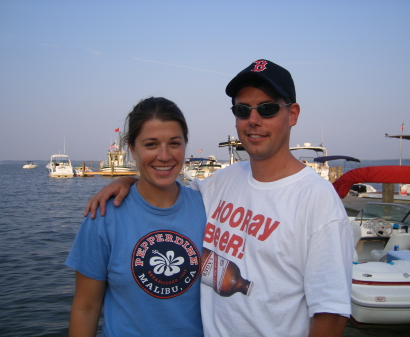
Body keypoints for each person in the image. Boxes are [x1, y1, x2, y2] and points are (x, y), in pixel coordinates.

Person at [85, 60, 354, 337]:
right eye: (242, 109)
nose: (253, 120)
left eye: (268, 108)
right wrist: (127, 180)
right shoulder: (221, 182)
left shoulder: (317, 201)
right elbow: (165, 190)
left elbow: (330, 314)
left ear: (293, 114)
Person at [66, 97, 206, 337]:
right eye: (151, 144)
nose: (164, 156)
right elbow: (86, 308)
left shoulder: (207, 206)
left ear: (185, 145)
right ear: (132, 148)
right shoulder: (102, 216)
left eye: (174, 143)